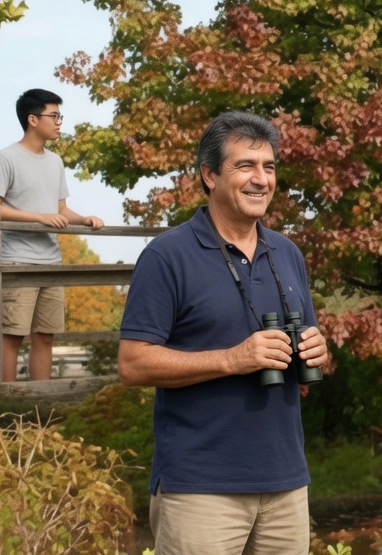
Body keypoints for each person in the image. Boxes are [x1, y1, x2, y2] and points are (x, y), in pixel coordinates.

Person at [119, 110, 329, 555]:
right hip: (200, 488)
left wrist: (316, 352)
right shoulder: (167, 256)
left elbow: (303, 372)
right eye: (245, 166)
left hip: (286, 483)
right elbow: (132, 362)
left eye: (269, 167)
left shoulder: (287, 254)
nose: (261, 179)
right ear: (210, 175)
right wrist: (233, 359)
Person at [0, 88, 104, 382]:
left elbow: (60, 209)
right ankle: (7, 408)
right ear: (33, 119)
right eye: (54, 115)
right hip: (16, 262)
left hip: (51, 261)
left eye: (60, 115)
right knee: (11, 338)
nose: (60, 121)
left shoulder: (55, 161)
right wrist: (39, 217)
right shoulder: (5, 158)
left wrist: (85, 219)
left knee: (45, 337)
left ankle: (40, 408)